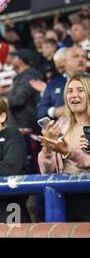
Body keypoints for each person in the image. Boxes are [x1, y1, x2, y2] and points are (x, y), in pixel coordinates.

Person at [38, 73, 90, 221]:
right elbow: (46, 170)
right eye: (69, 91)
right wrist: (47, 150)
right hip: (65, 199)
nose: (74, 95)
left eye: (80, 90)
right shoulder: (61, 124)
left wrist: (68, 152)